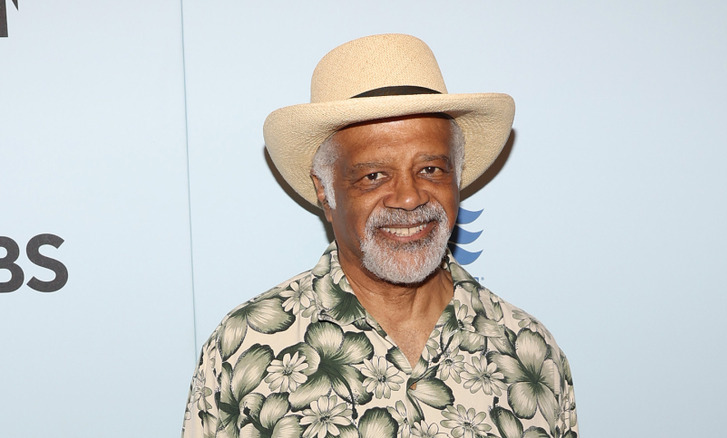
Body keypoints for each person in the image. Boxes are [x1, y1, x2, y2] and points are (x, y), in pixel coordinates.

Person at [182, 33, 578, 438]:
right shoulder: (245, 349)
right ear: (325, 189)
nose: (409, 198)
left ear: (457, 177)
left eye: (430, 170)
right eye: (374, 176)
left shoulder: (530, 353)